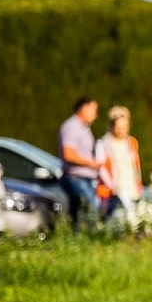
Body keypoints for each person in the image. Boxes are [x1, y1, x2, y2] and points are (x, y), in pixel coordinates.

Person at [95, 106, 145, 225]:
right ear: (112, 126)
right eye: (118, 128)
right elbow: (100, 167)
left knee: (133, 219)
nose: (121, 131)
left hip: (130, 186)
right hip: (113, 189)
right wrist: (111, 185)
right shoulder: (103, 143)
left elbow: (135, 165)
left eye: (124, 128)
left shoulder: (132, 142)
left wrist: (138, 182)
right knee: (113, 221)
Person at [59, 96, 102, 230]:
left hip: (85, 178)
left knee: (77, 214)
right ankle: (93, 240)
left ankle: (75, 242)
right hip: (75, 177)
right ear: (84, 108)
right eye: (94, 110)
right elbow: (68, 154)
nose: (95, 115)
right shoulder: (72, 127)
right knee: (91, 208)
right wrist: (90, 163)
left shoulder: (84, 128)